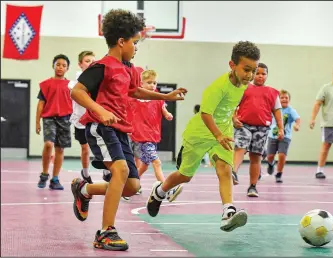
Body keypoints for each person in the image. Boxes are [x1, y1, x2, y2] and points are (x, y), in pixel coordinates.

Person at [69, 9, 188, 251]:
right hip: (101, 126)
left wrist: (165, 95)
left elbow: (136, 91)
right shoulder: (102, 66)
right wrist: (100, 110)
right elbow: (77, 91)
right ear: (121, 41)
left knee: (132, 186)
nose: (136, 47)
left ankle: (85, 189)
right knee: (120, 170)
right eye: (135, 42)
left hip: (121, 130)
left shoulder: (130, 68)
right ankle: (105, 232)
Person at [146, 41, 261, 232]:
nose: (250, 75)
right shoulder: (217, 87)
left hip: (223, 133)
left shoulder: (242, 84)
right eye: (246, 69)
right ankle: (159, 191)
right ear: (232, 65)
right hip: (201, 133)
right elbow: (206, 113)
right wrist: (217, 134)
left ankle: (228, 212)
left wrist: (232, 118)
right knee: (185, 176)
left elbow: (228, 105)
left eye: (253, 70)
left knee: (224, 170)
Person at [232, 63, 284, 197]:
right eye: (258, 73)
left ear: (267, 76)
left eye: (263, 74)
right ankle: (233, 172)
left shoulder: (272, 92)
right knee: (240, 147)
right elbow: (232, 105)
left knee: (255, 156)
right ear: (253, 74)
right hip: (243, 124)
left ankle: (253, 186)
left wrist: (281, 128)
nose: (260, 76)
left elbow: (277, 112)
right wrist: (233, 118)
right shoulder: (244, 88)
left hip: (262, 127)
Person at [131, 70, 182, 198]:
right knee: (156, 162)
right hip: (143, 138)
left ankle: (130, 185)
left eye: (154, 82)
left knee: (144, 166)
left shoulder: (158, 99)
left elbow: (164, 110)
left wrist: (168, 115)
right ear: (141, 84)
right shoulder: (136, 100)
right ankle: (167, 190)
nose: (152, 85)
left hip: (153, 137)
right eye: (149, 83)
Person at [36, 54, 72, 190]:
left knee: (60, 149)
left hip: (65, 119)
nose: (60, 67)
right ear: (53, 66)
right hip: (49, 118)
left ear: (67, 68)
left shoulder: (70, 86)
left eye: (64, 65)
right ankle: (44, 174)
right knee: (48, 144)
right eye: (58, 64)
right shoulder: (46, 84)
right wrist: (37, 122)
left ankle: (55, 179)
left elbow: (76, 102)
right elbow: (40, 104)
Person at [69, 50, 96, 184]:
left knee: (101, 144)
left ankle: (107, 171)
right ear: (80, 64)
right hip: (80, 120)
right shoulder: (74, 83)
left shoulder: (98, 79)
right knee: (85, 148)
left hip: (95, 118)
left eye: (92, 61)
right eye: (87, 61)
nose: (90, 63)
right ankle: (85, 172)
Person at [266, 89, 301, 183]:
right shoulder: (274, 108)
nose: (284, 99)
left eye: (286, 98)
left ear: (289, 100)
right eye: (282, 98)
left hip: (286, 136)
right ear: (278, 99)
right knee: (270, 156)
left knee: (282, 155)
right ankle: (271, 163)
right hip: (272, 136)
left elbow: (297, 119)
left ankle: (279, 174)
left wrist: (297, 125)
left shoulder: (291, 110)